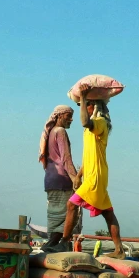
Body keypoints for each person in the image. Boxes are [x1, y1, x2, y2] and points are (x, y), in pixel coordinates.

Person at [55, 87, 124, 258]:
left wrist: (84, 96)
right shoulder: (88, 131)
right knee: (108, 212)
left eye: (85, 105)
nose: (83, 107)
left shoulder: (99, 123)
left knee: (71, 205)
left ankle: (64, 242)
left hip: (96, 176)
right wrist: (79, 175)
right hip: (94, 174)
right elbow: (88, 156)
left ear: (93, 106)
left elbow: (85, 121)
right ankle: (119, 250)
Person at [39, 105, 81, 249]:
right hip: (63, 180)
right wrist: (75, 178)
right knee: (69, 213)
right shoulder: (60, 131)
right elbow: (65, 158)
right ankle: (56, 243)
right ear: (60, 116)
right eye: (68, 116)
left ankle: (51, 244)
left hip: (50, 180)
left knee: (55, 215)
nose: (71, 119)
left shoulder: (50, 132)